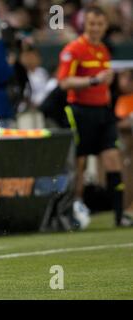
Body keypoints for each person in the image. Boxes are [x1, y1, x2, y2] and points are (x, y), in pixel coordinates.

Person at [57, 5, 132, 227]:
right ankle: (74, 212)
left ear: (105, 26)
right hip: (80, 111)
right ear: (84, 24)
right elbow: (64, 82)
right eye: (91, 24)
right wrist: (93, 81)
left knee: (113, 160)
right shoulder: (73, 49)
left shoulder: (103, 50)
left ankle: (119, 216)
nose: (96, 28)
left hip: (103, 112)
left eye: (100, 24)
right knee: (79, 164)